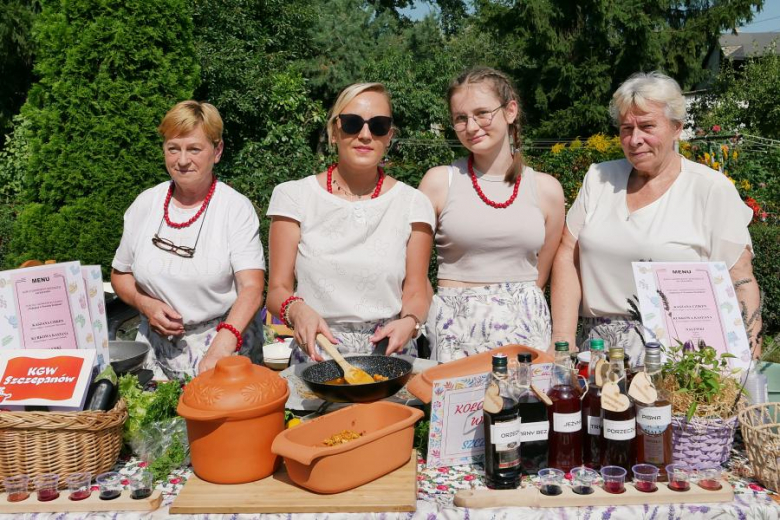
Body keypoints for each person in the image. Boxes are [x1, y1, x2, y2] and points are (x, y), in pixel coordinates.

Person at [551, 71, 761, 367]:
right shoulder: (599, 178)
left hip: (683, 356)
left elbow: (740, 279)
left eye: (647, 126)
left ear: (677, 128)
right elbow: (566, 255)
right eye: (626, 128)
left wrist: (747, 361)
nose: (635, 140)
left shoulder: (709, 188)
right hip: (598, 351)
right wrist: (562, 339)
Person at [266, 82, 435, 363]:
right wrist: (296, 310)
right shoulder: (293, 197)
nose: (365, 135)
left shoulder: (413, 203)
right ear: (334, 132)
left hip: (390, 355)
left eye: (378, 126)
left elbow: (416, 291)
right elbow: (276, 291)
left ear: (389, 136)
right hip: (317, 353)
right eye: (352, 123)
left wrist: (411, 323)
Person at [418, 66, 565, 362]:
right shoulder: (438, 182)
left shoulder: (547, 190)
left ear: (510, 111)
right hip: (456, 334)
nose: (472, 127)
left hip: (527, 335)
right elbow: (415, 272)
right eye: (461, 118)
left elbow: (540, 274)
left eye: (482, 113)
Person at [111, 101, 266, 380]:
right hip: (155, 354)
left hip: (225, 350)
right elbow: (120, 274)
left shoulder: (234, 208)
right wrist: (143, 303)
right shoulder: (146, 204)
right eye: (173, 148)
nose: (182, 160)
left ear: (217, 151)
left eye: (194, 149)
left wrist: (224, 342)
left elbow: (252, 287)